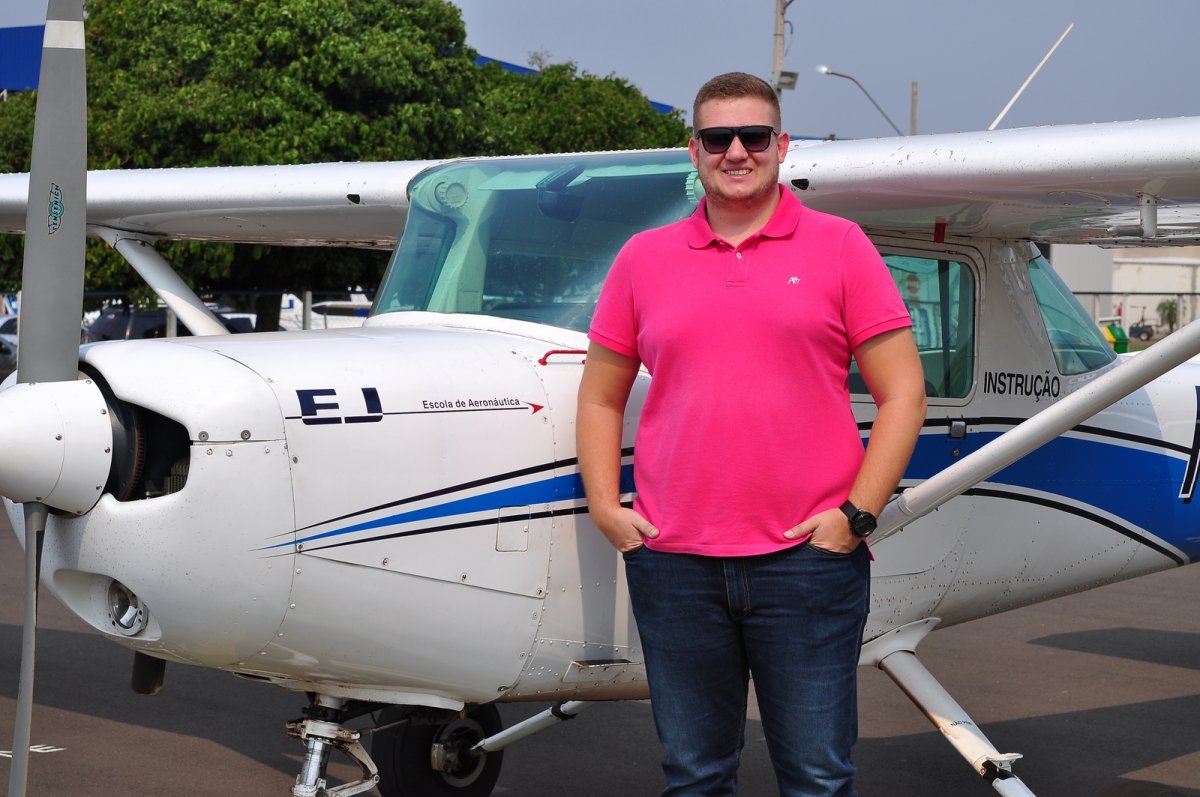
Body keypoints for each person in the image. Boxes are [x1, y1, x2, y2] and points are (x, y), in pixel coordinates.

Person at [576, 72, 928, 797]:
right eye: (717, 138)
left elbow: (903, 394)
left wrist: (856, 517)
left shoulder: (841, 245)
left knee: (818, 776)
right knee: (694, 775)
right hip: (675, 562)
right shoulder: (643, 257)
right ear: (694, 151)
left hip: (808, 562)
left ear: (782, 144)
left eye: (754, 136)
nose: (736, 151)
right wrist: (606, 508)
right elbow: (601, 395)